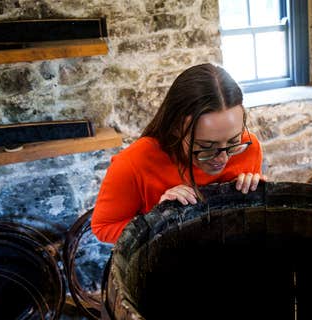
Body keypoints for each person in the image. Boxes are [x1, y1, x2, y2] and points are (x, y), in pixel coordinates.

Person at [92, 63, 264, 243]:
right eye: (206, 146)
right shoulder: (132, 164)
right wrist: (158, 218)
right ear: (175, 128)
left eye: (233, 141)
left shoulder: (248, 149)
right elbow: (103, 228)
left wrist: (256, 191)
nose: (223, 158)